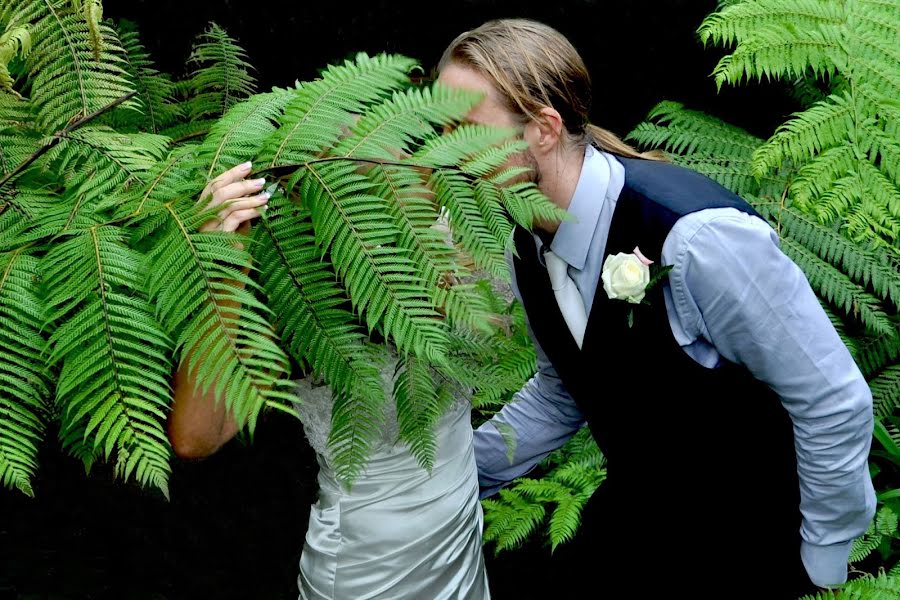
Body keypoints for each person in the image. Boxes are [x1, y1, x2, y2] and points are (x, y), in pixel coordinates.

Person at [436, 18, 876, 598]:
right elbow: (561, 390)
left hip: (758, 541)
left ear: (543, 129)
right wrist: (447, 482)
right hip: (648, 524)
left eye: (463, 130)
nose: (443, 152)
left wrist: (820, 562)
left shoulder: (699, 240)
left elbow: (832, 399)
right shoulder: (523, 238)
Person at [167, 163, 490, 599]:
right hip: (365, 566)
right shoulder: (300, 310)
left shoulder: (459, 243)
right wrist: (220, 268)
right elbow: (195, 436)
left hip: (458, 543)